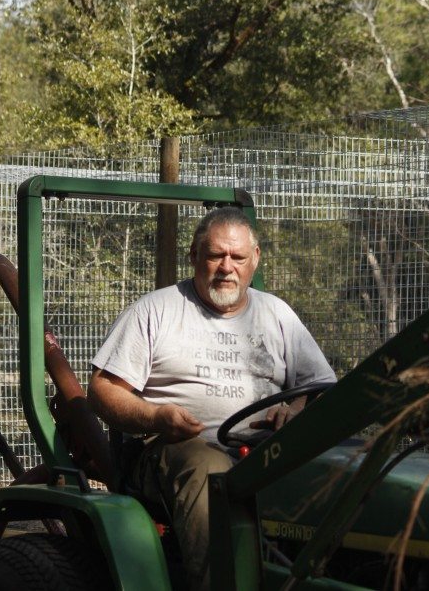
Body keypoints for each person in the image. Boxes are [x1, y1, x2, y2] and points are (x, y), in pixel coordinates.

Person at [88, 207, 336, 591]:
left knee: (345, 464)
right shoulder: (156, 310)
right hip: (173, 450)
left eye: (238, 256)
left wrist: (294, 410)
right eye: (216, 255)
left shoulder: (277, 314)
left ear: (255, 259)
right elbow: (103, 389)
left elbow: (321, 387)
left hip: (267, 450)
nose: (227, 267)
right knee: (209, 468)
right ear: (194, 256)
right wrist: (156, 417)